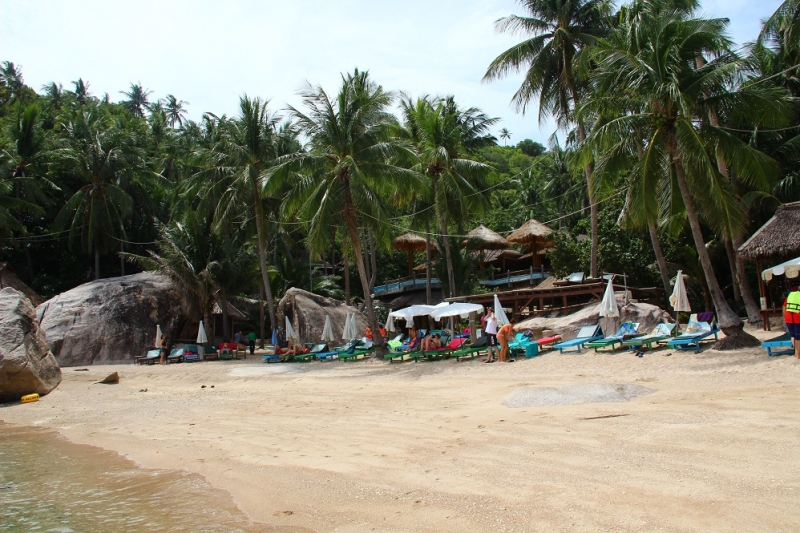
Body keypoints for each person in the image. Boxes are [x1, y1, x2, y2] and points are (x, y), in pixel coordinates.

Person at [784, 287, 800, 359]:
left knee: (793, 336)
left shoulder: (791, 296)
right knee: (798, 338)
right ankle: (798, 355)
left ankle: (796, 352)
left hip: (788, 318)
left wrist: (785, 317)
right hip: (798, 319)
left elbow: (784, 306)